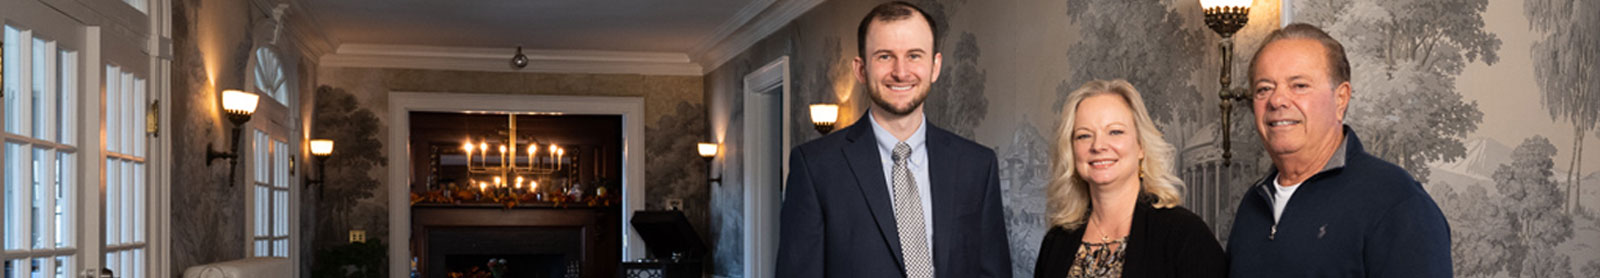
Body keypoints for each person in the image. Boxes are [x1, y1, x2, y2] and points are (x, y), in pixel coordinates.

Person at [775, 2, 1010, 277]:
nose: (901, 71)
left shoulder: (977, 165)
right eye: (885, 56)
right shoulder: (815, 167)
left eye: (914, 55)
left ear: (935, 66)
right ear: (861, 69)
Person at [1227, 23, 1451, 277]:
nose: (1277, 100)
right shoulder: (1253, 204)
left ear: (1341, 98)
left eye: (1299, 85)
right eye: (1264, 88)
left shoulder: (1396, 203)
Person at [1033, 80, 1227, 278]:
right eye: (1084, 136)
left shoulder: (1185, 235)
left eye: (1115, 132)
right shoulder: (1056, 241)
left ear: (1141, 146)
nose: (1098, 145)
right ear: (1072, 151)